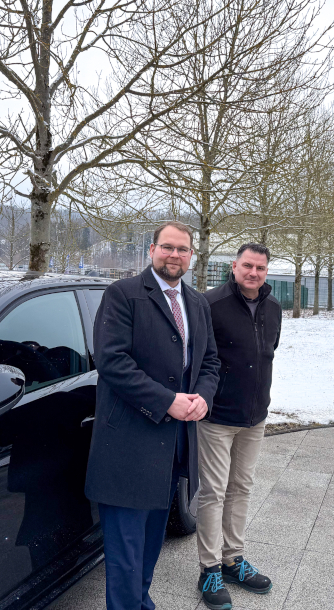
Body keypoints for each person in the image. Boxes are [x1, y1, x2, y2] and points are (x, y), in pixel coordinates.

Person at [85, 220, 221, 610]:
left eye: (182, 249)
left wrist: (203, 399)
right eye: (167, 247)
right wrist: (167, 401)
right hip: (128, 445)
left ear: (191, 256)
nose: (174, 255)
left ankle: (141, 602)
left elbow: (209, 362)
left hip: (173, 445)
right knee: (125, 551)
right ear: (152, 249)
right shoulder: (123, 294)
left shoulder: (196, 303)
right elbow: (112, 362)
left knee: (149, 544)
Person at [196, 243, 281, 610]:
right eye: (247, 266)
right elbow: (199, 360)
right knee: (213, 493)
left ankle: (233, 559)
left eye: (260, 268)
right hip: (217, 418)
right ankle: (209, 569)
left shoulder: (273, 309)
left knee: (242, 488)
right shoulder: (210, 304)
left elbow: (268, 353)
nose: (254, 273)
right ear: (234, 266)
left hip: (255, 417)